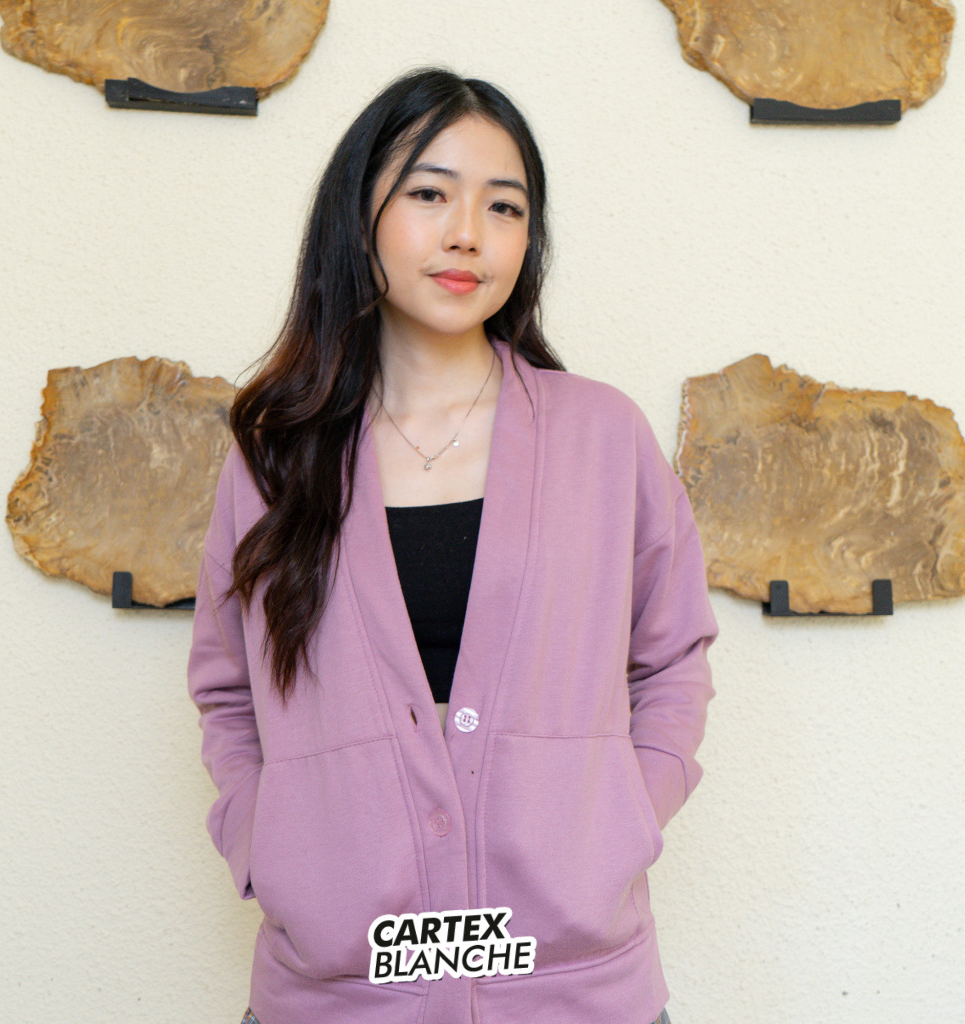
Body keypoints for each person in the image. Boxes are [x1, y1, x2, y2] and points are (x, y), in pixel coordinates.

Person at [187, 67, 718, 1024]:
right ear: (359, 218)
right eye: (429, 194)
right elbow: (228, 687)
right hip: (337, 991)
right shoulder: (277, 453)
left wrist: (624, 821)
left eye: (504, 206)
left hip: (574, 986)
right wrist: (269, 846)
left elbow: (672, 654)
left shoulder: (602, 435)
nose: (468, 232)